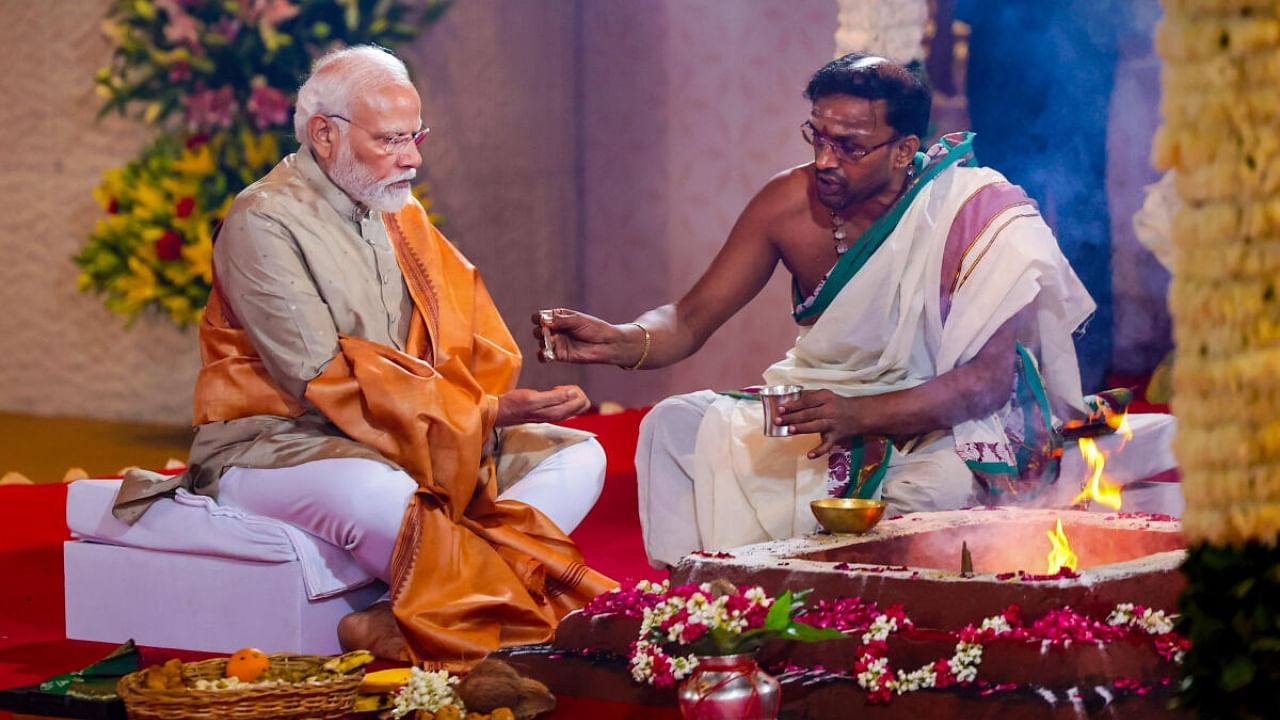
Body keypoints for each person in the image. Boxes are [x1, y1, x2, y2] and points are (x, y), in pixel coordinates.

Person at [112, 45, 615, 667]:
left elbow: (461, 338)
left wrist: (486, 413)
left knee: (580, 456)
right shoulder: (264, 221)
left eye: (416, 135)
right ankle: (499, 616)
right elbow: (319, 379)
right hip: (282, 445)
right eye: (392, 140)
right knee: (381, 496)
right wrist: (481, 414)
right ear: (324, 134)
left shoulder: (399, 211)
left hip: (414, 437)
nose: (413, 157)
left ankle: (396, 614)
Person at [537, 54, 1095, 568]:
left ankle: (868, 630)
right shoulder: (786, 202)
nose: (825, 160)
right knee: (673, 426)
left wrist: (860, 415)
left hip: (941, 419)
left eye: (849, 146)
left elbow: (988, 382)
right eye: (817, 136)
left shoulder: (972, 211)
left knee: (933, 495)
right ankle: (704, 613)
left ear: (903, 150)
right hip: (823, 405)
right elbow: (687, 319)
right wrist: (622, 339)